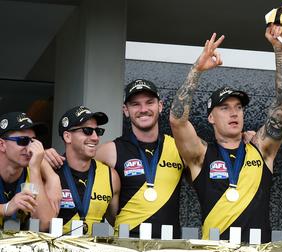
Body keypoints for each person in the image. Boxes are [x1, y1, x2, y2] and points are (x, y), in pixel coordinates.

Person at [168, 26, 282, 242]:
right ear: (211, 118)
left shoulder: (261, 150)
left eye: (238, 107)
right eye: (224, 108)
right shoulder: (201, 155)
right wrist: (197, 70)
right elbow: (177, 120)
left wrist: (281, 50)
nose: (234, 112)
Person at [45, 79, 185, 238]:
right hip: (126, 246)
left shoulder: (179, 148)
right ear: (125, 110)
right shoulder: (110, 150)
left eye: (149, 102)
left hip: (170, 245)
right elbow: (75, 161)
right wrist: (44, 159)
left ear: (160, 106)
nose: (143, 109)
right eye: (135, 104)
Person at [55, 106, 120, 234]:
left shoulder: (110, 176)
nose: (95, 138)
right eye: (87, 131)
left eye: (98, 131)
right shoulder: (51, 171)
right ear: (67, 137)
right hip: (55, 251)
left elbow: (117, 221)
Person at [0, 112, 58, 230]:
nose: (31, 149)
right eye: (23, 141)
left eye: (33, 141)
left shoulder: (35, 169)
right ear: (2, 145)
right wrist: (5, 208)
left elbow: (45, 224)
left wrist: (35, 169)